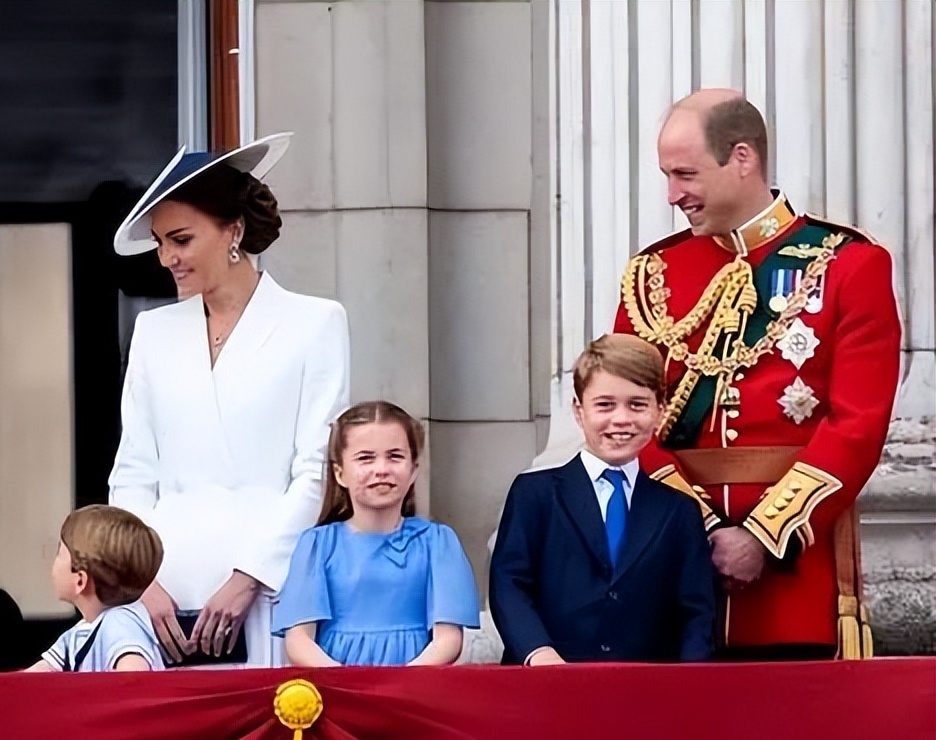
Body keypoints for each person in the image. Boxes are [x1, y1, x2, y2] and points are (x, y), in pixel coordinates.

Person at [613, 89, 902, 659]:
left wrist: (762, 536)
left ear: (742, 158)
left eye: (685, 174)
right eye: (667, 176)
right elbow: (623, 415)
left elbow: (857, 426)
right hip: (673, 568)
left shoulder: (848, 265)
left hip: (793, 574)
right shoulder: (652, 274)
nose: (673, 195)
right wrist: (701, 530)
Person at [108, 133, 351, 668]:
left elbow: (316, 470)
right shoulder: (153, 331)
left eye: (181, 239)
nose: (167, 257)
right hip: (160, 601)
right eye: (159, 243)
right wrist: (141, 580)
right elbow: (132, 472)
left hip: (271, 591)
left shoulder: (315, 324)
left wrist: (251, 577)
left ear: (233, 231)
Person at [490, 334, 716, 665]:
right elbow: (508, 585)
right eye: (605, 405)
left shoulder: (678, 510)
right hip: (544, 686)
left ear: (659, 411)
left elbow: (695, 613)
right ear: (579, 412)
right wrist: (538, 654)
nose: (621, 419)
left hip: (644, 697)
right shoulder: (534, 494)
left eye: (637, 404)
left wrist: (684, 688)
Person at [273, 401, 480, 667]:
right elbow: (300, 640)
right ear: (340, 473)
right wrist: (352, 686)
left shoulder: (439, 543)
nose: (381, 469)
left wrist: (396, 685)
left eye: (395, 456)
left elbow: (448, 639)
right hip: (336, 691)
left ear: (414, 469)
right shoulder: (317, 546)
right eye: (365, 458)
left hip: (414, 689)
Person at [27, 505, 164, 673]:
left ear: (80, 581)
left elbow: (134, 675)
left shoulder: (121, 622)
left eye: (59, 553)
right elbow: (36, 675)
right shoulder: (79, 633)